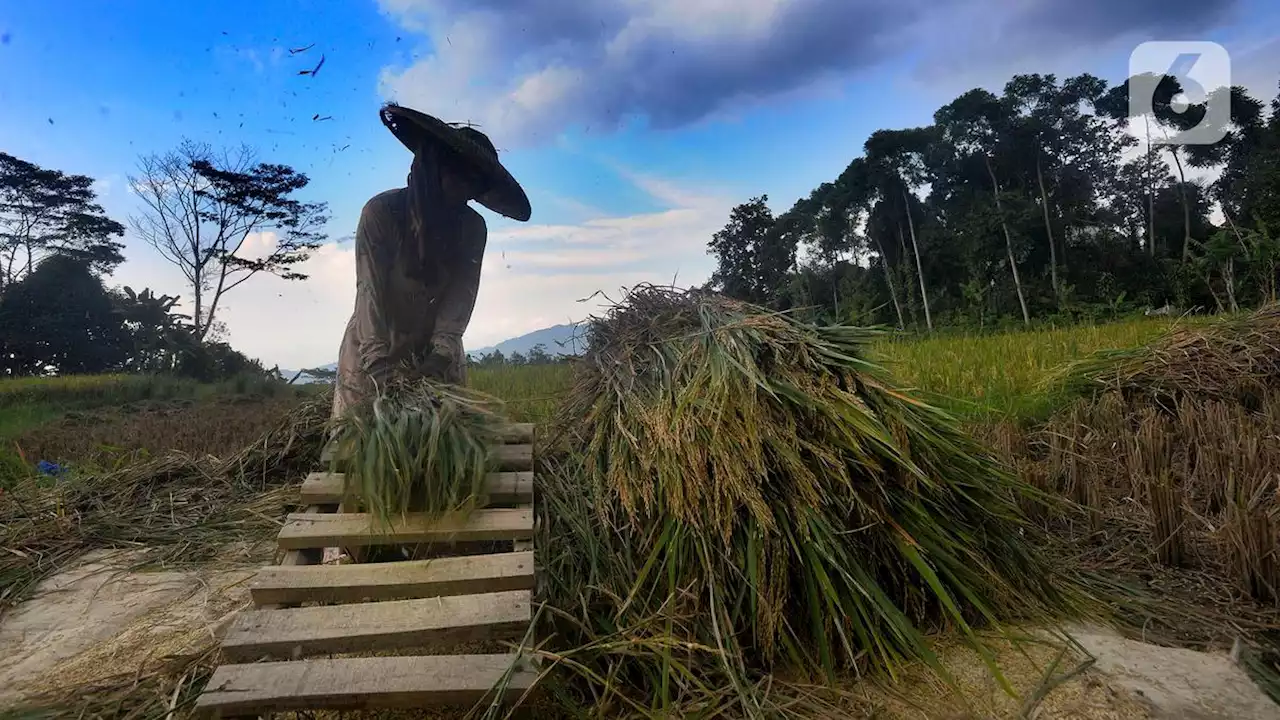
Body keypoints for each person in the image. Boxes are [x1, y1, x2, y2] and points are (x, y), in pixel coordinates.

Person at [332, 103, 531, 421]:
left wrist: (440, 356)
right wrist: (379, 366)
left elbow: (460, 296)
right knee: (357, 447)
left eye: (474, 184)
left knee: (445, 443)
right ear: (434, 166)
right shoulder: (382, 213)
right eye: (459, 177)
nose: (464, 190)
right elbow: (369, 292)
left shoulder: (471, 228)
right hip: (373, 347)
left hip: (436, 352)